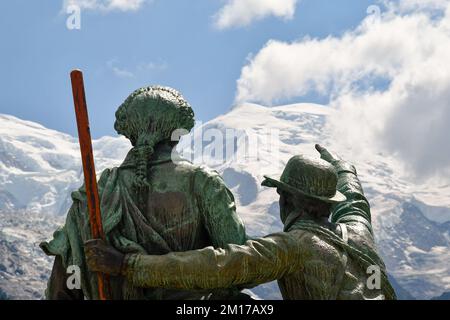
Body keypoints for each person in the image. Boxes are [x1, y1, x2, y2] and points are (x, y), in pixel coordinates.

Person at [85, 145, 396, 300]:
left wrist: (128, 265)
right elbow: (355, 202)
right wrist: (343, 170)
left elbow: (217, 266)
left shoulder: (293, 247)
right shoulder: (357, 233)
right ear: (330, 204)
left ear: (287, 200)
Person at [40, 86, 247, 300]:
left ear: (129, 133)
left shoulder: (93, 196)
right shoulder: (204, 182)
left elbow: (62, 286)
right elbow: (240, 263)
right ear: (178, 133)